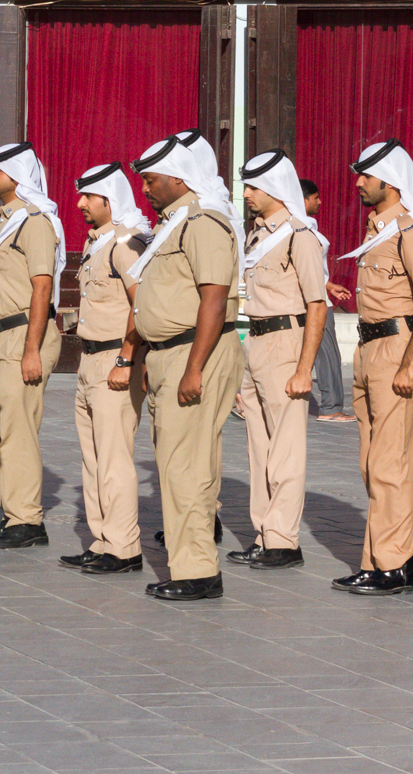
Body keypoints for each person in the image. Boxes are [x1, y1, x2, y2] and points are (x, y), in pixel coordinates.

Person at [126, 132, 243, 602]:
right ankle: (191, 563)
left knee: (185, 467)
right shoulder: (173, 226)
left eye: (151, 180)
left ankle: (196, 572)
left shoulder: (203, 223)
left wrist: (193, 367)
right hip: (170, 354)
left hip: (194, 351)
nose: (146, 189)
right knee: (181, 463)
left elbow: (214, 298)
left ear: (178, 178)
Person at [332, 139, 413, 596]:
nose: (358, 183)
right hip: (368, 349)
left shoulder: (408, 232)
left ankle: (391, 567)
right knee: (372, 461)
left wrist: (409, 362)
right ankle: (392, 560)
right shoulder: (377, 229)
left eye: (366, 176)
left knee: (388, 462)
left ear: (390, 182)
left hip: (398, 348)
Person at [231, 151, 328, 572]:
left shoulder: (298, 236)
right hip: (255, 339)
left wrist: (304, 368)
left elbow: (317, 304)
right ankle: (264, 533)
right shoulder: (255, 234)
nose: (247, 194)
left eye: (254, 187)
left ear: (273, 187)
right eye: (246, 186)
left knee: (285, 449)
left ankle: (284, 541)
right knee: (259, 447)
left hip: (287, 341)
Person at [0, 142, 64, 550]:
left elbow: (42, 287)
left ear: (18, 175)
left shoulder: (35, 222)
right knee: (1, 433)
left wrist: (32, 348)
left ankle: (27, 520)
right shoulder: (9, 222)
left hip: (24, 335)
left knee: (18, 432)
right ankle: (12, 515)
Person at [64, 162, 151, 574]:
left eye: (88, 197)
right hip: (89, 358)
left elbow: (141, 304)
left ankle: (124, 547)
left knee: (115, 458)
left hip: (114, 359)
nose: (80, 204)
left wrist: (126, 358)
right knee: (93, 457)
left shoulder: (124, 243)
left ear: (109, 200)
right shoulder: (97, 242)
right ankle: (102, 541)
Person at [301, 178, 355, 422]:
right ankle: (331, 406)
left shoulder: (301, 227)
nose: (320, 202)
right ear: (304, 200)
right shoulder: (301, 229)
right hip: (314, 301)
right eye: (315, 197)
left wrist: (329, 284)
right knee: (327, 353)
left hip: (316, 293)